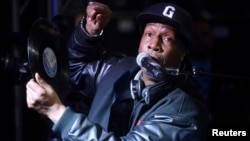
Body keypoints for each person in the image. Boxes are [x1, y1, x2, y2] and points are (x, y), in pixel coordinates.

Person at [26, 1, 208, 141]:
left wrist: (58, 113)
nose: (154, 44)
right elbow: (75, 71)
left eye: (167, 38)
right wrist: (88, 34)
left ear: (183, 53)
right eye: (149, 34)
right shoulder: (120, 69)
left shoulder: (183, 112)